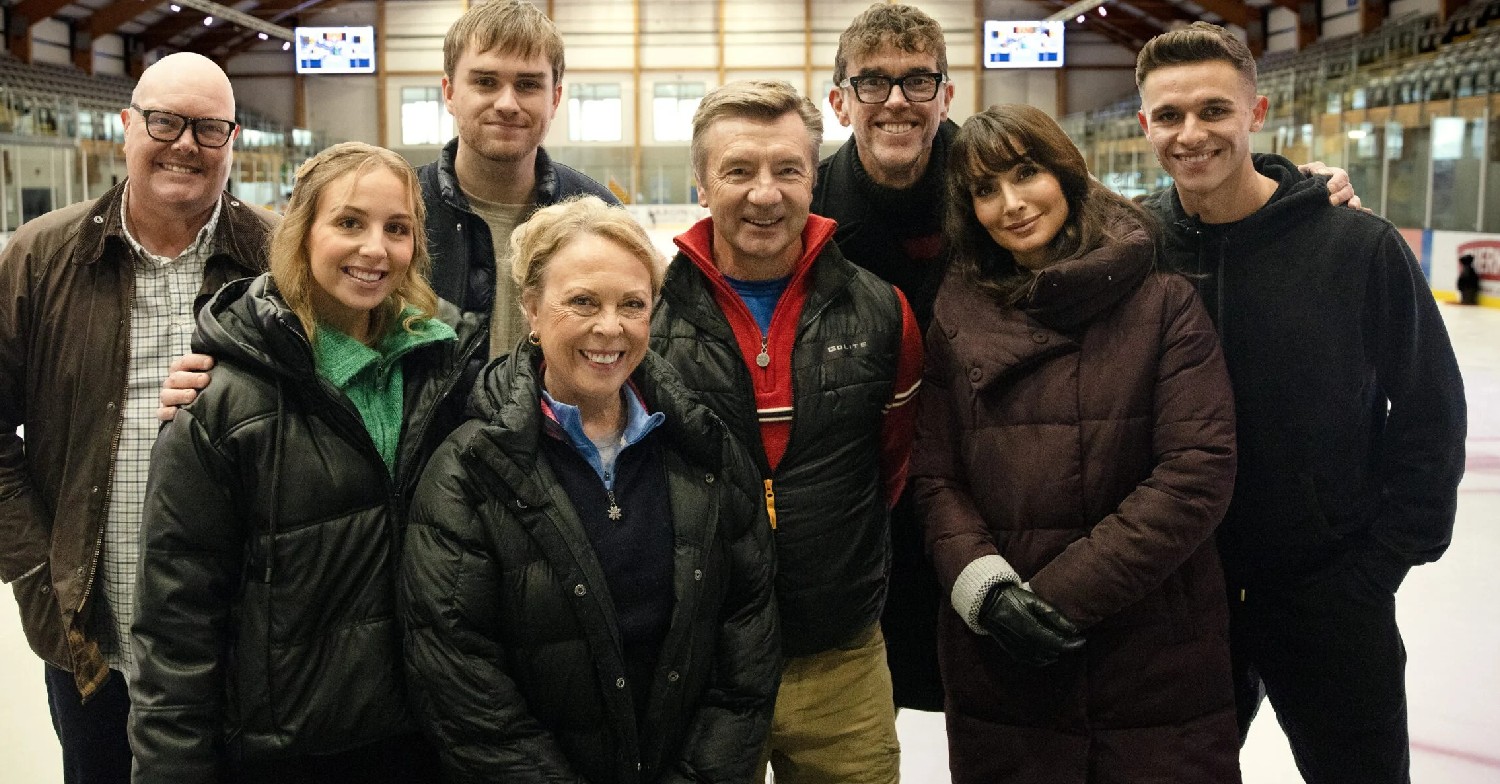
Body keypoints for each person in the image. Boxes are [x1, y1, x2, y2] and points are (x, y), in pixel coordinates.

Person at [1137, 22, 1467, 784]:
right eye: (1169, 116)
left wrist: (1376, 567)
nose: (1192, 134)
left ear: (1255, 114)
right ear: (1144, 123)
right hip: (1182, 597)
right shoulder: (1133, 246)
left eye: (1215, 110)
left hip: (1328, 596)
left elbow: (1429, 414)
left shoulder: (1355, 246)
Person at [129, 142, 483, 783]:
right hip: (292, 752)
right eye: (349, 223)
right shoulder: (223, 402)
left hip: (434, 740)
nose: (374, 249)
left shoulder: (448, 374)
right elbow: (175, 629)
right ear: (302, 230)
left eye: (396, 229)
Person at [912, 103, 1241, 783]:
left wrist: (1056, 596)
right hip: (1002, 659)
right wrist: (990, 592)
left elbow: (1195, 471)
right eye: (984, 189)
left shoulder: (1162, 302)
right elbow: (936, 475)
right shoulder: (954, 311)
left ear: (1064, 170)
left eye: (1025, 173)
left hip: (1152, 653)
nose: (1010, 204)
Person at [400, 195, 779, 783]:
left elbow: (746, 641)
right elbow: (463, 681)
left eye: (633, 304)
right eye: (582, 302)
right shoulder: (469, 472)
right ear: (531, 309)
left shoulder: (703, 447)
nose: (611, 327)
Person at [0, 52, 274, 784]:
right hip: (94, 636)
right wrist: (37, 568)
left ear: (231, 140)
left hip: (244, 641)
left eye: (208, 128)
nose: (185, 142)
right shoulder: (38, 259)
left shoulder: (280, 261)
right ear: (127, 125)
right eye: (164, 121)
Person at [651, 80, 924, 784]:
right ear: (703, 186)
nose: (765, 193)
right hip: (697, 666)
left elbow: (890, 469)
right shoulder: (645, 320)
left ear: (815, 179)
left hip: (842, 658)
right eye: (738, 170)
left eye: (788, 170)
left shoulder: (882, 312)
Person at [158, 0, 619, 414]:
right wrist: (220, 379)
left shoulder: (599, 216)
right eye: (484, 81)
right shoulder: (394, 217)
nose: (506, 102)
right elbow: (290, 321)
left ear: (555, 96)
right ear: (449, 92)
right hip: (422, 477)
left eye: (528, 85)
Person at [812, 3, 956, 712]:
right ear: (841, 102)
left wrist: (1282, 185)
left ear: (946, 97)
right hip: (855, 509)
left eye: (917, 81)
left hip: (991, 499)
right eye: (872, 82)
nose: (896, 101)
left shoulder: (1007, 182)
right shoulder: (803, 208)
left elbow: (1122, 227)